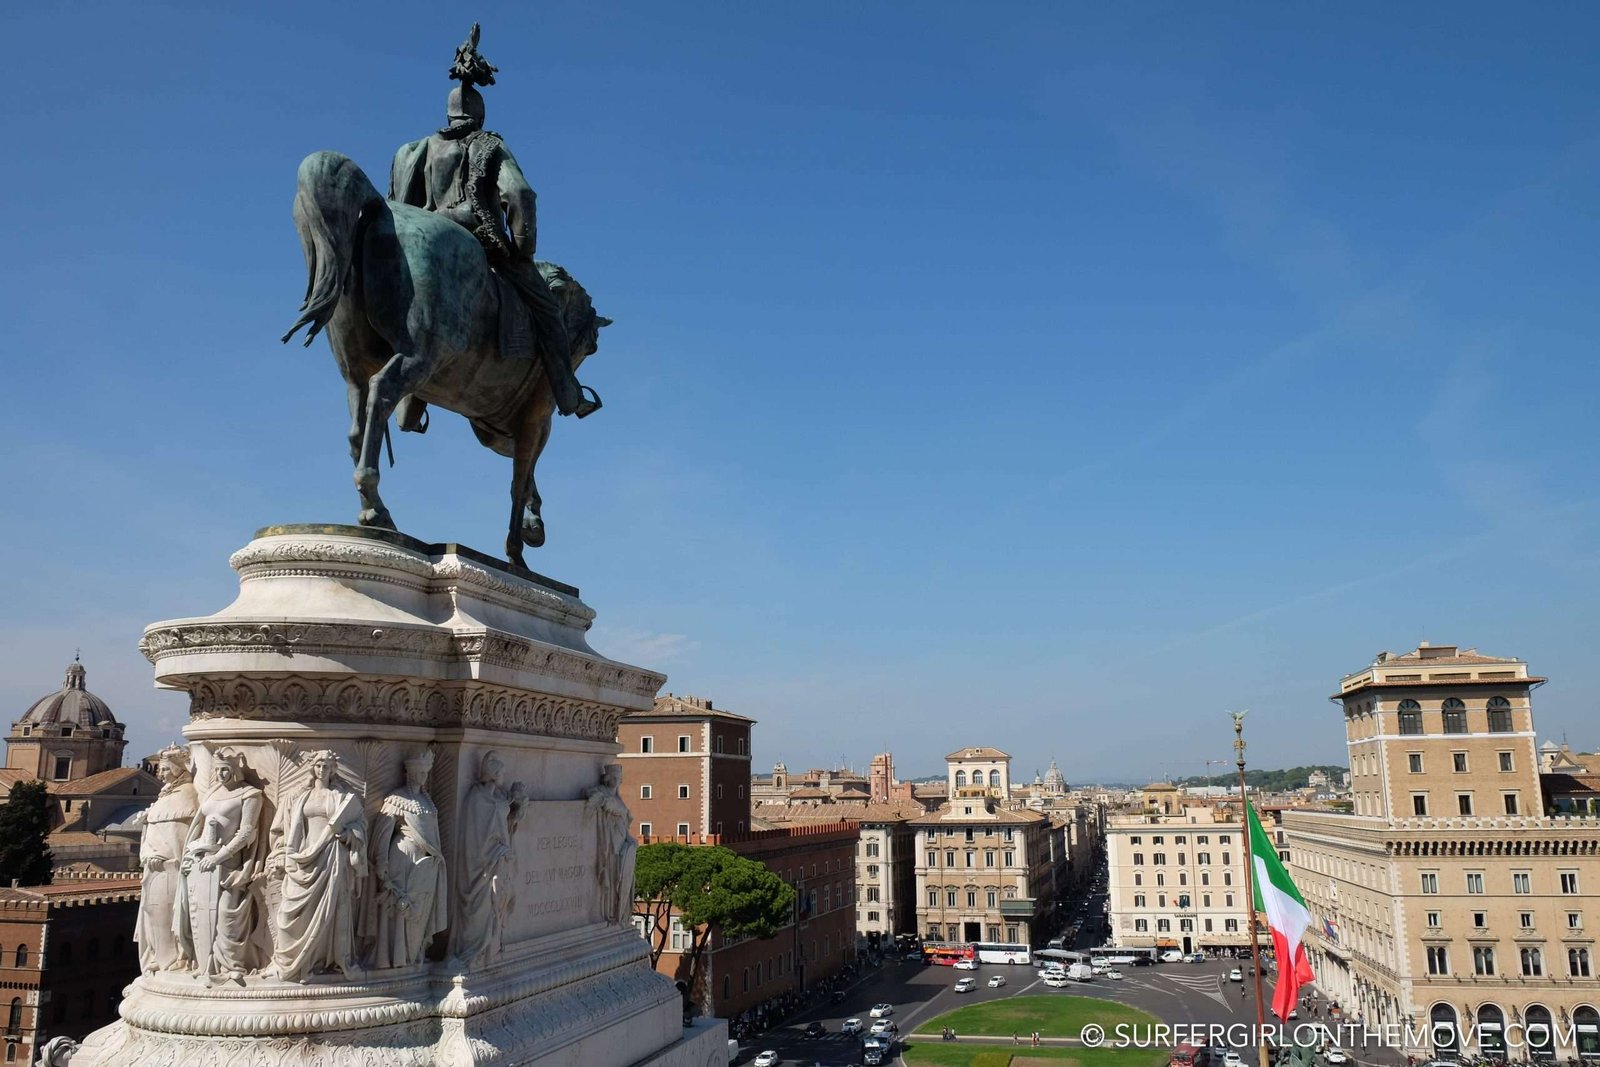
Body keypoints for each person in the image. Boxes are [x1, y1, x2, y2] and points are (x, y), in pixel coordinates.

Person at [389, 24, 601, 430]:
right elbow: (520, 195)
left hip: (417, 234)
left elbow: (401, 207)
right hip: (477, 235)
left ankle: (412, 401)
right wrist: (522, 249)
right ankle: (569, 395)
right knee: (548, 312)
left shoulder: (413, 150)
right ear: (479, 115)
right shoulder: (486, 144)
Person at [270, 750, 368, 980]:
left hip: (332, 856)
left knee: (332, 913)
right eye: (318, 765)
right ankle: (291, 963)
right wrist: (283, 852)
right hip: (302, 858)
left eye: (326, 766)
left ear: (333, 769)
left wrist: (348, 834)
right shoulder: (299, 797)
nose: (322, 770)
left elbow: (360, 826)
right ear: (312, 768)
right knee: (287, 915)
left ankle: (322, 961)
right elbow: (283, 831)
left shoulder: (340, 796)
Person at [175, 748, 269, 983]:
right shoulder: (212, 793)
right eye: (217, 770)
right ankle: (205, 963)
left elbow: (246, 832)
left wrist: (219, 856)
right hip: (201, 863)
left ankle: (233, 965)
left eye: (225, 770)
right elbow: (201, 824)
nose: (221, 775)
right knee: (200, 914)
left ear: (236, 770)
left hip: (231, 865)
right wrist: (193, 850)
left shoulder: (250, 794)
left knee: (228, 916)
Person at [366, 748, 448, 968]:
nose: (424, 777)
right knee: (400, 912)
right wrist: (381, 862)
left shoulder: (427, 800)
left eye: (426, 772)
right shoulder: (397, 799)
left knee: (419, 915)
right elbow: (383, 833)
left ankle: (414, 955)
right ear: (410, 772)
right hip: (402, 858)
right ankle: (395, 957)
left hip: (425, 865)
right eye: (420, 772)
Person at [135, 743, 199, 974]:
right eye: (159, 769)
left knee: (168, 911)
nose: (159, 773)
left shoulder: (187, 795)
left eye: (163, 769)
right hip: (154, 869)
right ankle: (160, 956)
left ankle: (173, 958)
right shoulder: (166, 795)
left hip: (171, 867)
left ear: (176, 768)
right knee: (154, 913)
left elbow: (178, 837)